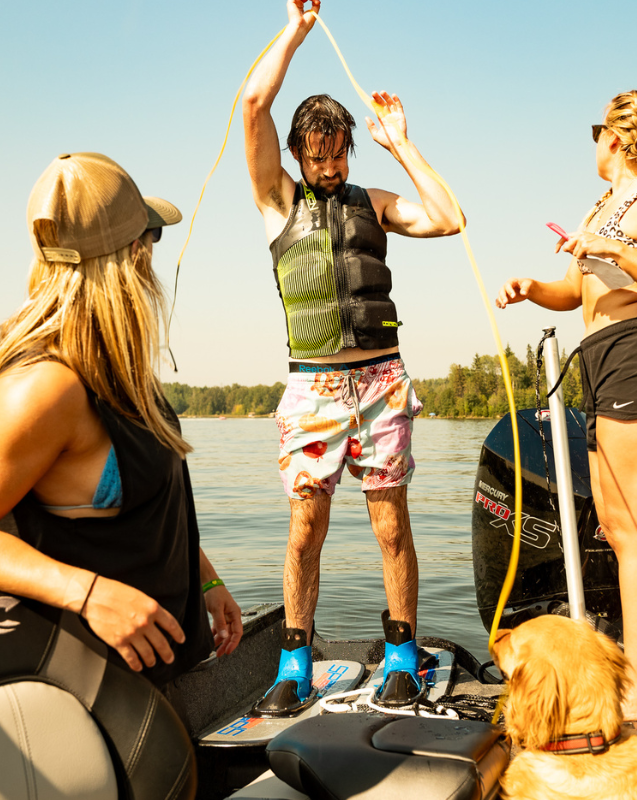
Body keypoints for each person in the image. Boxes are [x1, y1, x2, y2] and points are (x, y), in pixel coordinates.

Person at [0, 152, 243, 686]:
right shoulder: (44, 386)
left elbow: (150, 506)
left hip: (170, 673)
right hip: (102, 692)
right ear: (134, 254)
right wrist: (88, 594)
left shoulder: (119, 370)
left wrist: (207, 581)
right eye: (151, 237)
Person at [241, 0, 463, 712]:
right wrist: (295, 31)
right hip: (314, 388)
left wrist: (402, 145)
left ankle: (403, 654)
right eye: (318, 155)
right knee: (306, 526)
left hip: (381, 381)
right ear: (298, 154)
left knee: (390, 523)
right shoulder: (277, 200)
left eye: (339, 152)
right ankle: (294, 661)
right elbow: (253, 104)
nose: (330, 165)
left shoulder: (375, 200)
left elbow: (450, 218)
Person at [495, 89, 637, 721]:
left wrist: (618, 250)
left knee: (635, 531)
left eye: (597, 132)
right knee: (618, 529)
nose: (593, 143)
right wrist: (535, 288)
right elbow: (577, 291)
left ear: (614, 137)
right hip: (601, 356)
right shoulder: (601, 205)